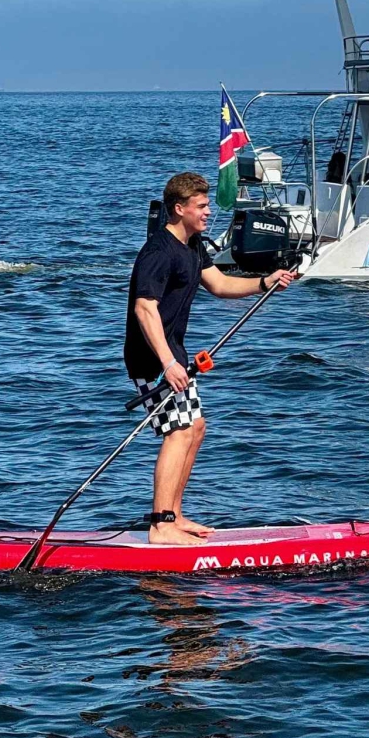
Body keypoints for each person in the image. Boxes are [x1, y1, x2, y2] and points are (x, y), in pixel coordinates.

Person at [125, 172, 298, 545]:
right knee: (179, 432)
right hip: (152, 360)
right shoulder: (158, 252)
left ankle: (175, 515)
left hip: (174, 355)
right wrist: (168, 363)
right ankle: (160, 525)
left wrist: (264, 282)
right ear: (179, 209)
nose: (208, 212)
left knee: (196, 427)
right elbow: (144, 308)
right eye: (201, 206)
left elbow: (219, 284)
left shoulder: (193, 245)